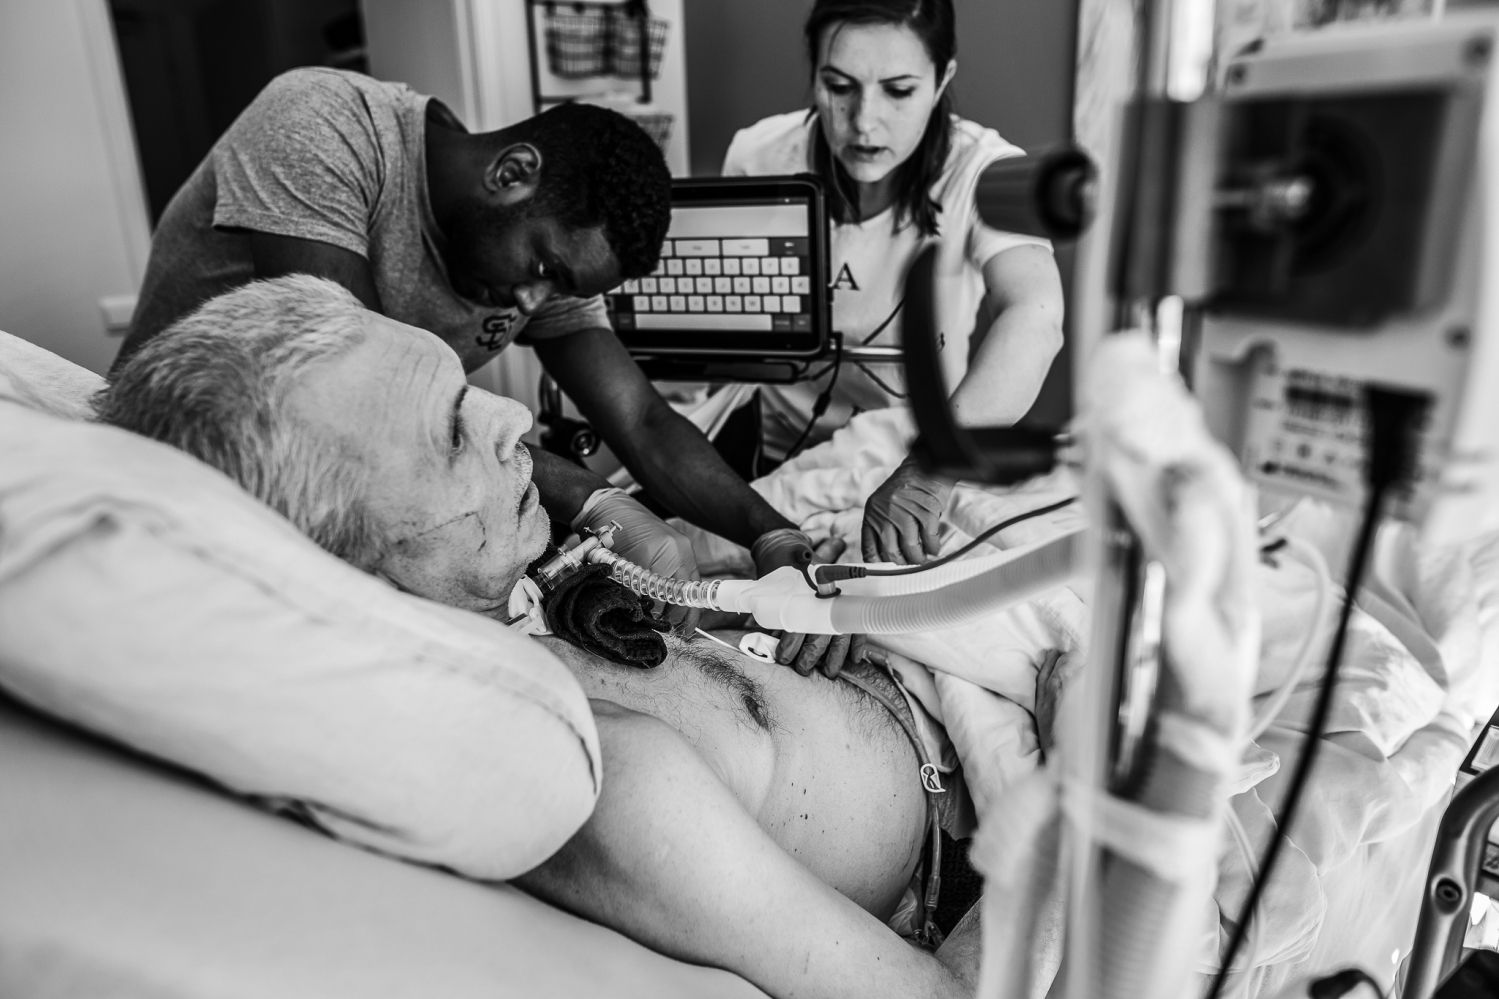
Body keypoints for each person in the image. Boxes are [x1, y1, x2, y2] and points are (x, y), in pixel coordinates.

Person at [98, 274, 985, 997]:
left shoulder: (514, 594)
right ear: (345, 564)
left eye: (466, 389)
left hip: (911, 668)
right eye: (451, 433)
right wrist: (1057, 814)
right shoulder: (599, 775)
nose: (514, 419)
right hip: (967, 837)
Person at [114, 66, 851, 673]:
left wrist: (772, 535)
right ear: (513, 173)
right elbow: (370, 411)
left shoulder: (542, 257)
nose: (534, 304)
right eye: (545, 270)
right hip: (189, 467)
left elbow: (643, 419)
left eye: (558, 288)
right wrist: (591, 498)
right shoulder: (324, 127)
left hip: (348, 511)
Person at [722, 0, 1066, 568]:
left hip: (911, 460)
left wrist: (933, 467)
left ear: (942, 79)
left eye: (899, 91)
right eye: (839, 87)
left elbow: (1034, 315)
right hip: (777, 453)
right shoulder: (757, 156)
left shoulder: (987, 172)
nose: (864, 122)